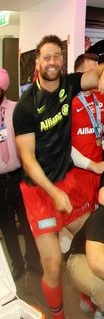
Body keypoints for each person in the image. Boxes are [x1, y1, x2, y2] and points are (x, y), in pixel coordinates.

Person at [13, 35, 104, 319]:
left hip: (66, 183)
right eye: (47, 57)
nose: (53, 62)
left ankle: (90, 297)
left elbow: (96, 73)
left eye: (57, 56)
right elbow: (28, 160)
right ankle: (57, 315)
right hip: (39, 191)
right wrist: (54, 193)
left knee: (93, 239)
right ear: (37, 63)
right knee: (52, 266)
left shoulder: (69, 84)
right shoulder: (25, 106)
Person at [69, 53, 104, 206]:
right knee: (82, 220)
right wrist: (92, 166)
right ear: (79, 75)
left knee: (98, 210)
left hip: (100, 168)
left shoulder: (100, 98)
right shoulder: (67, 101)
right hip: (77, 171)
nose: (97, 77)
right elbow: (64, 145)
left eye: (98, 73)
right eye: (92, 73)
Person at [0, 67, 40, 280]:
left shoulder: (16, 110)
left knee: (27, 221)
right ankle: (17, 263)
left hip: (19, 175)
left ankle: (33, 261)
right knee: (6, 225)